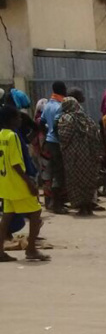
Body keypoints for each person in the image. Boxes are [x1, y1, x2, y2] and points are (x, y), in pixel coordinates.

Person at [0, 105, 50, 262]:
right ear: (11, 120)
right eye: (18, 117)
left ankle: (0, 251)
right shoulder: (13, 136)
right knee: (35, 213)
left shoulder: (1, 135)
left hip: (6, 183)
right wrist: (29, 183)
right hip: (18, 183)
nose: (20, 120)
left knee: (7, 217)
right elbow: (16, 163)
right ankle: (31, 249)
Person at [56, 94, 100, 215]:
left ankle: (81, 207)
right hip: (89, 155)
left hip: (73, 157)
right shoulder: (87, 118)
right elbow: (96, 136)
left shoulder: (66, 118)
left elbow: (64, 136)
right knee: (88, 179)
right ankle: (89, 205)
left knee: (75, 180)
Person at [40, 80, 67, 212]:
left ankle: (53, 202)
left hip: (49, 141)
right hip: (57, 142)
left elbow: (42, 122)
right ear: (62, 90)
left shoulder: (48, 105)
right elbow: (58, 126)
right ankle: (57, 205)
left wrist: (48, 134)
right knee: (59, 173)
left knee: (51, 171)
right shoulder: (60, 106)